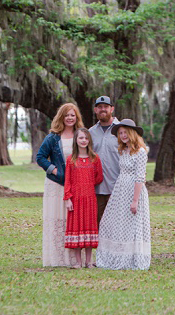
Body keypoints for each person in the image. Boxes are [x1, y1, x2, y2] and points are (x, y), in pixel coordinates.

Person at [94, 119, 151, 270]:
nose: (123, 135)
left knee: (132, 225)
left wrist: (135, 201)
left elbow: (140, 177)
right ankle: (115, 255)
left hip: (134, 191)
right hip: (121, 189)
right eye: (120, 133)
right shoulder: (123, 150)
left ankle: (132, 258)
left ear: (132, 133)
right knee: (111, 222)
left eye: (125, 132)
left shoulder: (140, 152)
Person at [35, 102, 83, 267]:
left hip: (76, 185)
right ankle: (56, 258)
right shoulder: (53, 137)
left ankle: (74, 259)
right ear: (61, 117)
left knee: (73, 221)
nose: (69, 118)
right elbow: (40, 157)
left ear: (76, 117)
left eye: (72, 115)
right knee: (57, 219)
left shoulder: (81, 135)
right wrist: (54, 170)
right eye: (66, 115)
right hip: (55, 185)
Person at [63, 127, 103, 268]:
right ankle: (78, 262)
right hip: (76, 199)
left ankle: (89, 261)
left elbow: (99, 177)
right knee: (77, 227)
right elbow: (67, 180)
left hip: (90, 198)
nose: (83, 140)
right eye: (81, 138)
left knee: (89, 227)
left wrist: (87, 185)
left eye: (86, 138)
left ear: (89, 140)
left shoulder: (95, 158)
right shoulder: (71, 160)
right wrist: (68, 198)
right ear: (76, 140)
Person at [88, 95, 121, 223]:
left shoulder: (121, 130)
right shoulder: (90, 132)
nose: (103, 109)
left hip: (117, 186)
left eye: (106, 107)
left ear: (111, 109)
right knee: (97, 223)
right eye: (99, 107)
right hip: (97, 188)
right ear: (95, 110)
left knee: (116, 224)